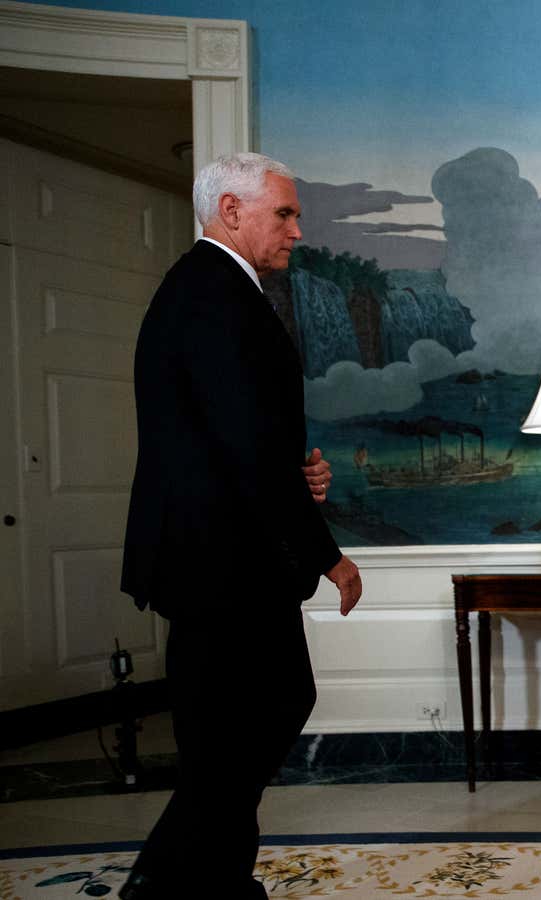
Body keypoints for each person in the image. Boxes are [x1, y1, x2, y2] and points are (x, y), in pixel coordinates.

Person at [118, 152, 362, 899]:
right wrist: (329, 556)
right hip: (219, 564)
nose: (297, 229)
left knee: (229, 736)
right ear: (231, 211)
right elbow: (245, 448)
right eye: (284, 213)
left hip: (216, 557)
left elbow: (237, 434)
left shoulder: (211, 289)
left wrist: (300, 472)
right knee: (259, 717)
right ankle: (167, 880)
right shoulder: (216, 295)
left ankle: (209, 879)